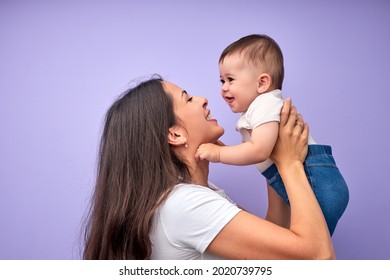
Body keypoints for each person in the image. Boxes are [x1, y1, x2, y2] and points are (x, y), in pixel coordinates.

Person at [83, 75, 335, 260]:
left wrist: (270, 158)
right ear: (175, 134)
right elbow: (317, 258)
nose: (203, 100)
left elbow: (276, 247)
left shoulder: (198, 195)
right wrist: (290, 164)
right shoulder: (186, 204)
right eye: (188, 99)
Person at [195, 34, 349, 236]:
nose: (224, 88)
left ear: (262, 83)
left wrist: (218, 154)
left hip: (316, 180)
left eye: (230, 80)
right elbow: (260, 153)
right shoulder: (256, 109)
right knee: (295, 245)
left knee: (307, 251)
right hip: (308, 181)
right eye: (222, 80)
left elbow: (259, 150)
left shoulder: (266, 104)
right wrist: (226, 151)